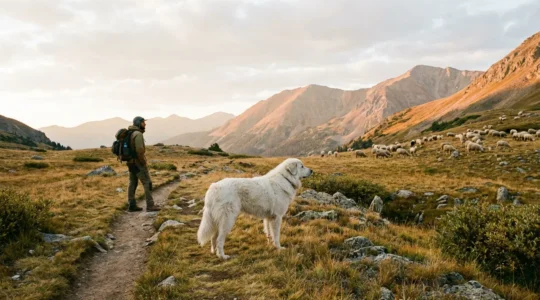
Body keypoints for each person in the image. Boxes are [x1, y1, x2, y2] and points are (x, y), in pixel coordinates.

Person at [127, 116, 161, 212]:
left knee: (132, 183)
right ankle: (150, 205)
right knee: (147, 182)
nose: (145, 124)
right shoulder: (138, 134)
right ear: (138, 123)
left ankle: (131, 205)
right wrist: (143, 162)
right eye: (143, 122)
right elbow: (140, 150)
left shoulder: (130, 133)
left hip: (130, 163)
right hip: (138, 163)